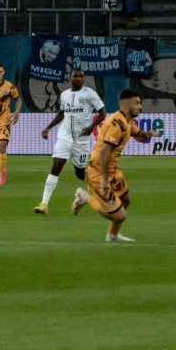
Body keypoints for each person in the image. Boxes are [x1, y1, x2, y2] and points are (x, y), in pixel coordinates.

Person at [72, 88, 150, 242]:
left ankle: (112, 235)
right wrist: (105, 180)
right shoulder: (117, 124)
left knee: (125, 201)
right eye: (137, 103)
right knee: (119, 215)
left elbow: (139, 137)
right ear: (126, 106)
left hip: (113, 171)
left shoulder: (128, 121)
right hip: (99, 173)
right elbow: (104, 152)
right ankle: (85, 197)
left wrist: (148, 135)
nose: (140, 107)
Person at [35, 67, 105, 214]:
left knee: (80, 173)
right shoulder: (64, 95)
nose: (79, 78)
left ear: (84, 79)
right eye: (76, 76)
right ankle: (44, 204)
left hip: (81, 141)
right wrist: (48, 128)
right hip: (64, 137)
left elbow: (102, 112)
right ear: (70, 78)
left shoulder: (89, 94)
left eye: (81, 76)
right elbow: (62, 113)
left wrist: (92, 127)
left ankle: (98, 193)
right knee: (56, 166)